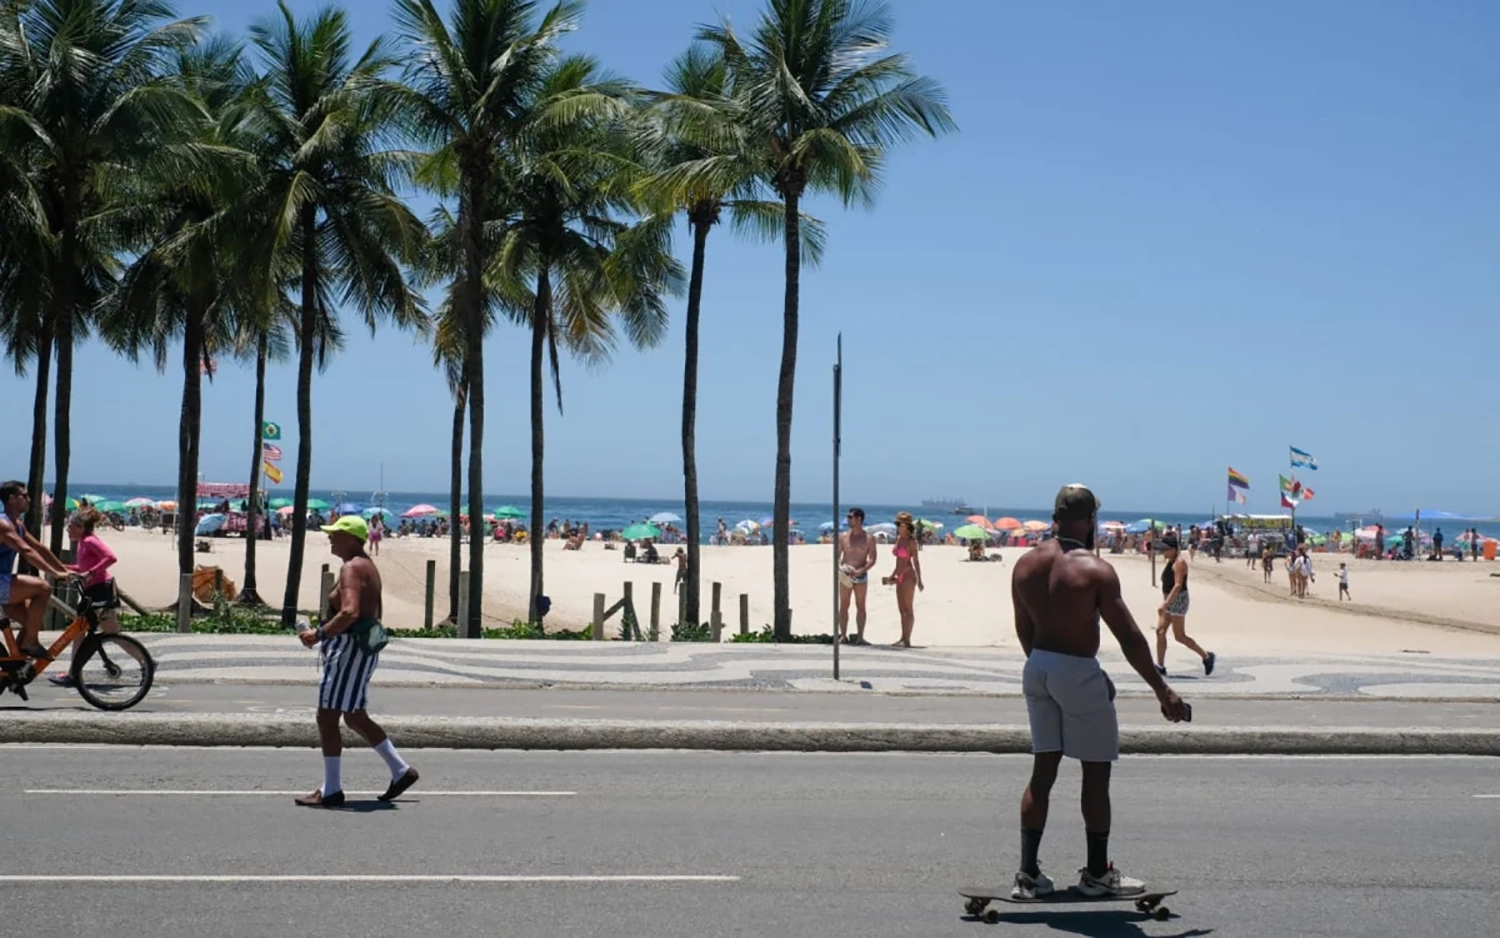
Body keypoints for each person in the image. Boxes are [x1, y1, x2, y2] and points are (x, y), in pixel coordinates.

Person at [1011, 484, 1190, 900]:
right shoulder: (1094, 570)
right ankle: (1096, 874)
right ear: (1089, 520)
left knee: (1043, 774)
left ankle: (1027, 875)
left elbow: (1024, 626)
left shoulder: (1025, 564)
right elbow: (1128, 635)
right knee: (1095, 773)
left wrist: (1044, 666)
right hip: (1077, 672)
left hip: (1036, 667)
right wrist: (1162, 690)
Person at [296, 515, 418, 808]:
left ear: (351, 538)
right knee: (354, 716)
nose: (330, 538)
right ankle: (400, 770)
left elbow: (350, 612)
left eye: (335, 534)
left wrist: (319, 634)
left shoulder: (351, 567)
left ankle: (332, 789)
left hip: (348, 651)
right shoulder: (367, 566)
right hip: (359, 651)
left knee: (327, 716)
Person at [50, 507, 121, 687]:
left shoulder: (89, 541)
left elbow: (111, 557)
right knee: (109, 633)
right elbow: (82, 568)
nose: (68, 529)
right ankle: (147, 662)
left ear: (82, 527)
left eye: (72, 526)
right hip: (94, 590)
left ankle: (73, 673)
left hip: (99, 590)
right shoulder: (82, 543)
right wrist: (63, 568)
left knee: (80, 631)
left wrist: (90, 572)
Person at [0, 481, 71, 660]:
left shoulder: (18, 524)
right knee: (43, 587)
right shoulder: (3, 524)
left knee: (32, 623)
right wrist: (54, 574)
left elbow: (39, 548)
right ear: (11, 499)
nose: (29, 499)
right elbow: (26, 551)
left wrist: (64, 570)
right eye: (24, 496)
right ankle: (30, 644)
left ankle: (15, 664)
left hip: (4, 580)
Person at [1153, 533, 1215, 677]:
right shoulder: (1170, 561)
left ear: (1174, 549)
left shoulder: (1179, 562)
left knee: (1179, 636)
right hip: (1169, 599)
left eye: (1166, 549)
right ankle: (1160, 666)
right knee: (1160, 631)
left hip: (1178, 600)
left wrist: (1165, 603)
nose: (1163, 552)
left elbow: (1178, 585)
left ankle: (1206, 656)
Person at [881, 511, 923, 648]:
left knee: (908, 608)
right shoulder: (899, 539)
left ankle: (907, 638)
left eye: (899, 524)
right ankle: (902, 637)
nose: (897, 526)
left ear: (906, 525)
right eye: (897, 524)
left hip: (908, 574)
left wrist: (919, 579)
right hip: (899, 574)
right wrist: (892, 575)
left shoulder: (911, 541)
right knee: (901, 609)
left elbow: (915, 560)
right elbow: (899, 561)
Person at [837, 508, 879, 645]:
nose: (848, 519)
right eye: (848, 517)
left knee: (861, 605)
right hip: (845, 574)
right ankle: (843, 635)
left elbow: (872, 559)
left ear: (859, 519)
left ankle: (860, 636)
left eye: (851, 517)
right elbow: (837, 556)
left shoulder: (868, 538)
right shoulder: (843, 536)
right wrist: (841, 568)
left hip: (861, 575)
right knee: (844, 605)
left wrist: (861, 570)